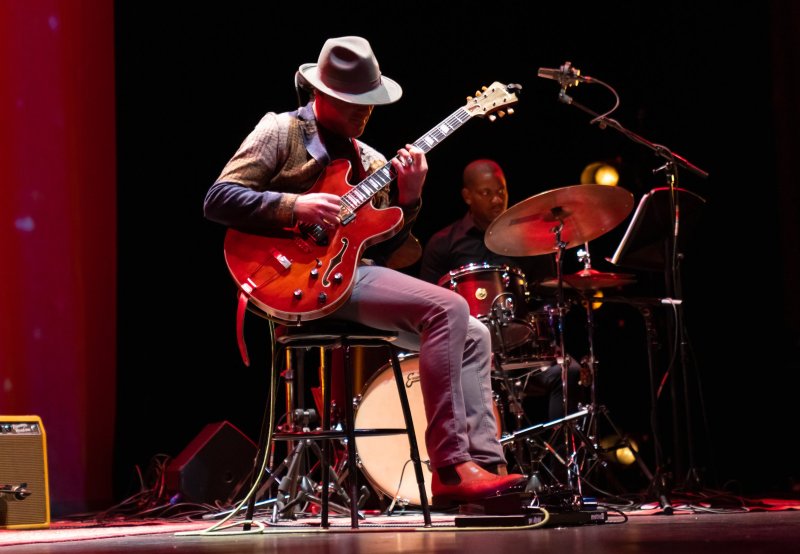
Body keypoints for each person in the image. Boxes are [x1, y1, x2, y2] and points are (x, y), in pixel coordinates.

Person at [203, 36, 527, 508]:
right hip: (290, 280)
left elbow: (394, 254)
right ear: (322, 93)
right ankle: (452, 469)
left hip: (349, 279)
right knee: (449, 307)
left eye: (369, 102)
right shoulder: (280, 131)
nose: (364, 112)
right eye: (353, 102)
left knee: (475, 333)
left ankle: (487, 473)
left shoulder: (372, 161)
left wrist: (410, 200)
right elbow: (218, 200)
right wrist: (297, 205)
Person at [419, 159, 586, 438]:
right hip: (465, 354)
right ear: (467, 196)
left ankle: (558, 468)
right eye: (486, 193)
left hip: (520, 350)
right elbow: (425, 301)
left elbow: (545, 293)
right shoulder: (443, 243)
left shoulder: (528, 238)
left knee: (570, 373)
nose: (497, 200)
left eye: (501, 191)